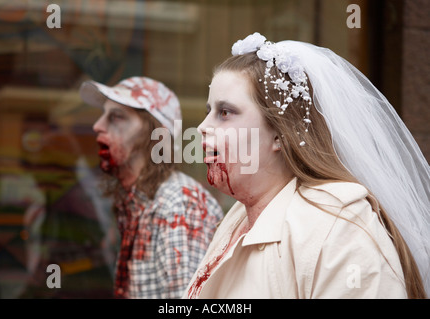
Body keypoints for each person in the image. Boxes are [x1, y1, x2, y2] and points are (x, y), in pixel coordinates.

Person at [184, 33, 429, 299]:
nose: (203, 127)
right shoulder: (238, 217)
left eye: (225, 112)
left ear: (279, 133)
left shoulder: (341, 228)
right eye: (209, 111)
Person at [79, 76, 223, 298]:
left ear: (153, 133)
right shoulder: (136, 200)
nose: (97, 126)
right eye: (103, 115)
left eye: (116, 117)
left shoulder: (179, 204)